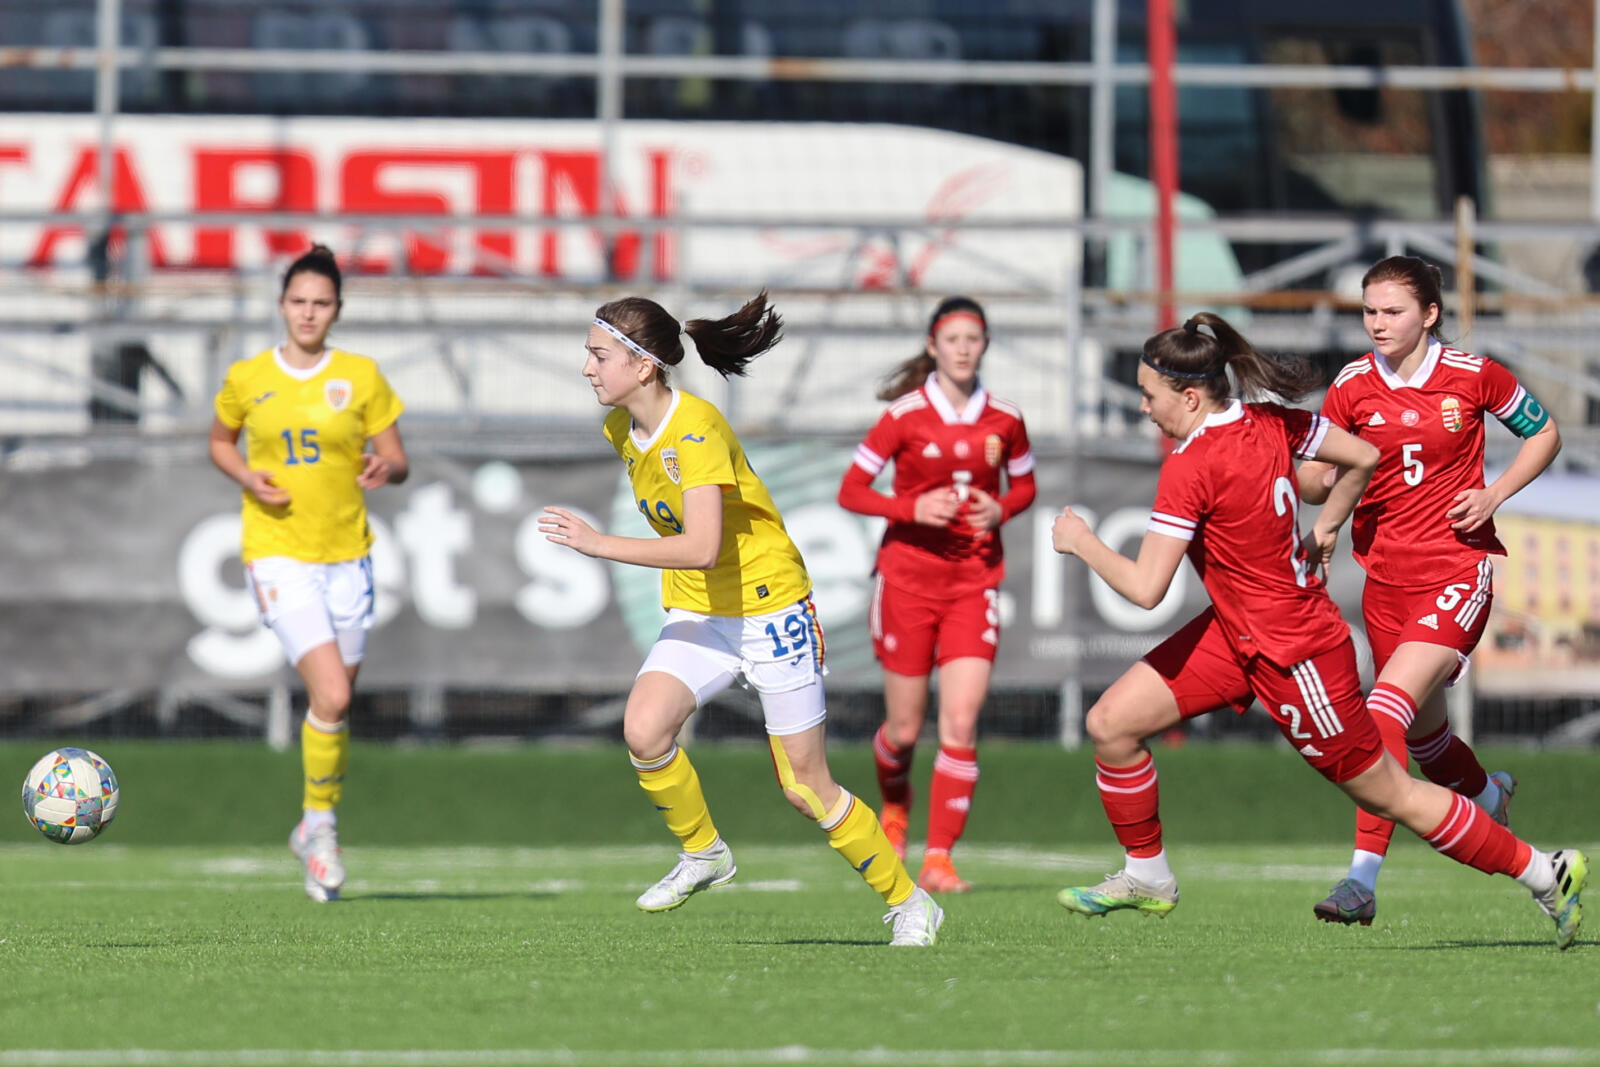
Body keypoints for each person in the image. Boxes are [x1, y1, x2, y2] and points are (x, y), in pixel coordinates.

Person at [1049, 311, 1585, 950]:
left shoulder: (1191, 465)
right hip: (1235, 633)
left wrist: (1081, 542)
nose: (1144, 407)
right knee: (1111, 724)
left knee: (1393, 794)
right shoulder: (1270, 421)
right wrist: (1327, 523)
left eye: (1149, 395)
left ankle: (1544, 873)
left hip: (1295, 653)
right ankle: (1147, 875)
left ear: (1190, 397)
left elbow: (1145, 589)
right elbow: (1362, 455)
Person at [538, 291, 944, 946]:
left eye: (599, 355)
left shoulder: (696, 430)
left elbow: (702, 545)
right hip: (703, 608)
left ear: (643, 365)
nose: (587, 367)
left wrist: (598, 543)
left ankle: (910, 902)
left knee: (805, 788)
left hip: (769, 606)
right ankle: (704, 853)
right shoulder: (619, 429)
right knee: (644, 729)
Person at [1297, 256, 1563, 926]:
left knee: (1380, 711)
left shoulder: (1474, 374)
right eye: (1369, 311)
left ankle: (1361, 880)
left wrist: (1494, 494)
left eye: (1393, 311)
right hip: (1385, 583)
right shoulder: (1352, 385)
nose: (1378, 323)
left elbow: (1545, 432)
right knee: (1427, 741)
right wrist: (1312, 475)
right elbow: (1316, 479)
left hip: (1456, 570)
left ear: (1431, 314)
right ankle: (1490, 797)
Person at [208, 243, 408, 903]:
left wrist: (384, 467)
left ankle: (312, 821)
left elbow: (398, 458)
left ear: (337, 310)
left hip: (348, 558)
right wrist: (246, 475)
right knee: (335, 695)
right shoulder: (248, 377)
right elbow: (218, 440)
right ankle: (321, 831)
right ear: (281, 305)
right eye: (298, 301)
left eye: (321, 303)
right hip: (277, 553)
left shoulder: (361, 376)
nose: (308, 312)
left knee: (333, 708)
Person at [836, 296, 1036, 893]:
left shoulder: (1006, 418)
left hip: (974, 584)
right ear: (933, 346)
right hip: (907, 582)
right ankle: (894, 809)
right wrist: (911, 508)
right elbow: (851, 490)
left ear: (986, 344)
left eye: (973, 338)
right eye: (953, 339)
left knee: (961, 722)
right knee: (903, 730)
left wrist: (1000, 509)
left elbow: (1025, 487)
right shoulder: (904, 416)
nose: (963, 349)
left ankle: (939, 859)